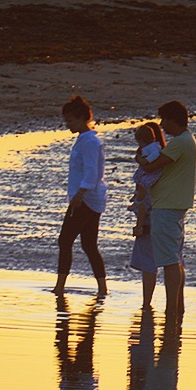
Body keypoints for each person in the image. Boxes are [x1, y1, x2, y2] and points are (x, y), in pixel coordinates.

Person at [141, 100, 196, 319]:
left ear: (174, 119)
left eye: (164, 120)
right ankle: (177, 308)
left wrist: (140, 157)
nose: (162, 125)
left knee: (169, 261)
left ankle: (171, 310)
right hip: (174, 205)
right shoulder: (187, 140)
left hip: (167, 206)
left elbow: (151, 165)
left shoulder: (180, 143)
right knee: (174, 258)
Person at [52, 95, 108, 298]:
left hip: (86, 199)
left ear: (83, 118)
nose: (68, 124)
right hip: (88, 198)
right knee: (88, 245)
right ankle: (102, 289)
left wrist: (81, 193)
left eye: (71, 120)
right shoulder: (84, 139)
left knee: (65, 240)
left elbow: (92, 171)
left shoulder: (90, 142)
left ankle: (60, 287)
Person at [127, 121, 166, 308]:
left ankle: (146, 303)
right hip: (163, 217)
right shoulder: (161, 163)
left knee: (149, 263)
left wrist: (139, 225)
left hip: (150, 220)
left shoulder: (148, 174)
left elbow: (143, 204)